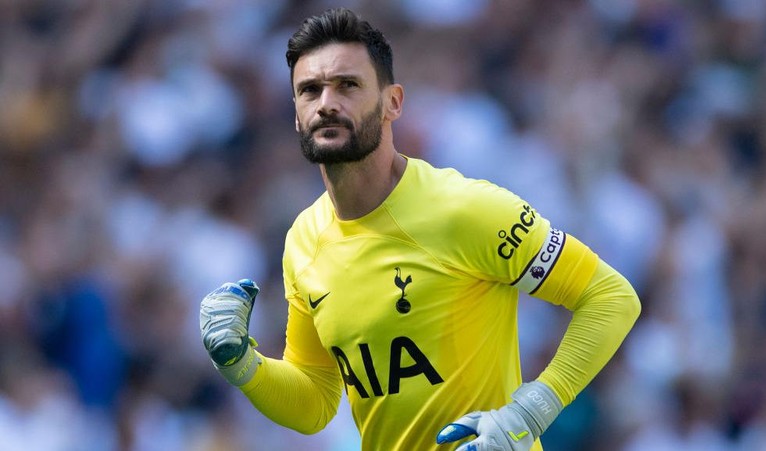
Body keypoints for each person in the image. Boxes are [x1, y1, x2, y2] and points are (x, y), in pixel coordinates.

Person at [199, 7, 641, 451]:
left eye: (348, 86)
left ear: (393, 102)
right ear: (296, 115)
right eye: (309, 91)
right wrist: (241, 363)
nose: (327, 103)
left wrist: (531, 410)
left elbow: (610, 297)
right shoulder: (304, 240)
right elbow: (314, 401)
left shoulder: (463, 209)